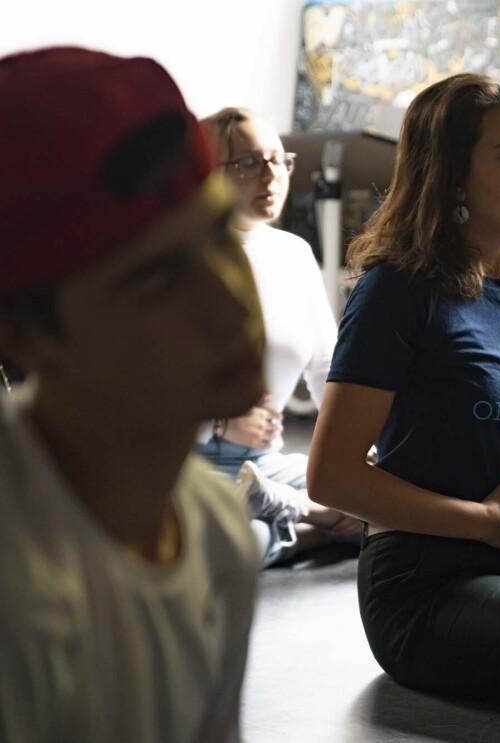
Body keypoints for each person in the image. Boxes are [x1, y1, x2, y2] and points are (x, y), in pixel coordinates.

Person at [306, 72, 500, 706]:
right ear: (454, 175)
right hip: (426, 579)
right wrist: (483, 521)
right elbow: (330, 477)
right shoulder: (398, 291)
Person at [0, 47, 262, 742]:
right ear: (25, 336)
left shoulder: (216, 533)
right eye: (156, 280)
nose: (229, 302)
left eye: (219, 236)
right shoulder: (18, 595)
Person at [197, 107, 360, 567]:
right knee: (216, 552)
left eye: (278, 160)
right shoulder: (178, 256)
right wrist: (217, 425)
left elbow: (330, 370)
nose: (271, 175)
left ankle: (294, 513)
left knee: (395, 514)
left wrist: (360, 460)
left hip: (267, 466)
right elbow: (131, 386)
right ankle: (313, 520)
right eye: (248, 163)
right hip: (186, 466)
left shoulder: (293, 254)